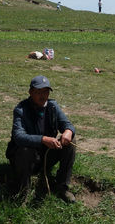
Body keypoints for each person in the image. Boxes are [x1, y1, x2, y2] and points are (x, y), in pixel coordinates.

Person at [6, 75, 77, 203]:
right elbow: (19, 136)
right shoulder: (21, 110)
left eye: (46, 92)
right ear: (30, 92)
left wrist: (68, 131)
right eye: (39, 92)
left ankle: (62, 187)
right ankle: (23, 191)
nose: (43, 96)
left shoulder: (53, 106)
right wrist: (43, 139)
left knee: (71, 142)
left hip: (46, 156)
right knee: (25, 150)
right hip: (26, 159)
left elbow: (67, 124)